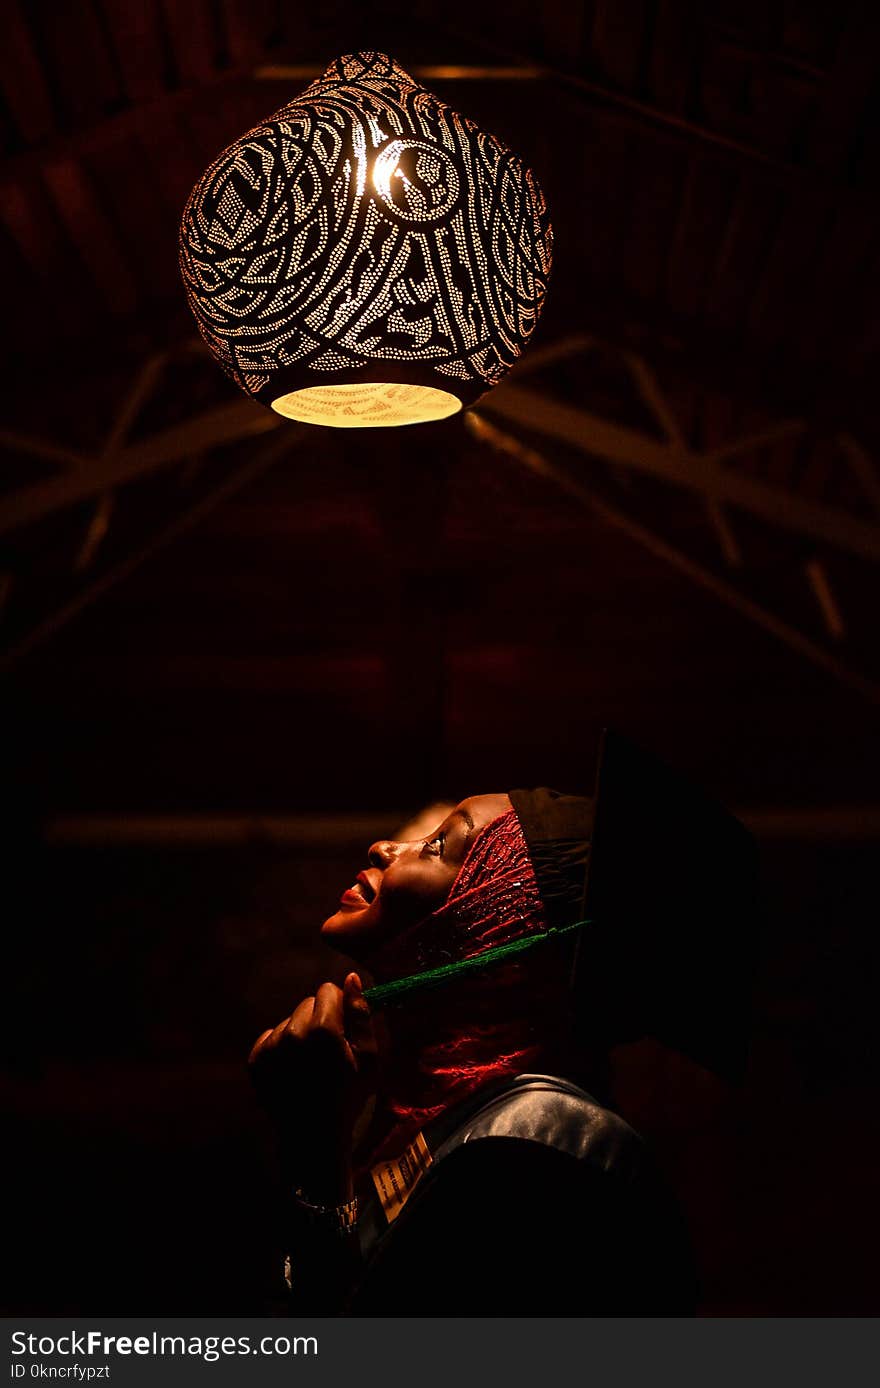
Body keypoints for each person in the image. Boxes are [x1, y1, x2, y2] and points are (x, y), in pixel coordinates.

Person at [248, 738, 749, 1315]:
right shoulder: (440, 1117)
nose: (384, 847)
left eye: (438, 846)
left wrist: (314, 1152)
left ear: (500, 927)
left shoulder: (537, 1147)